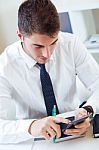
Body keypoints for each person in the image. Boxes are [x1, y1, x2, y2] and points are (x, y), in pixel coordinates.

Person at [0, 0, 99, 144]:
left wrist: (88, 110)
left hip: (76, 134)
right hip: (34, 140)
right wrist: (32, 127)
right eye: (38, 46)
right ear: (20, 35)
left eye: (53, 43)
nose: (47, 54)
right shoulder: (4, 65)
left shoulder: (71, 45)